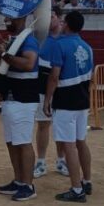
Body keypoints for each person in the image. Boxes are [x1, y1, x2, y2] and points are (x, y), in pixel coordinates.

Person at [44, 10, 95, 203]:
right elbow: (91, 76)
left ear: (66, 24)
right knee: (81, 142)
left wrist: (47, 99)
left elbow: (54, 76)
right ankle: (86, 181)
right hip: (82, 99)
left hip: (65, 100)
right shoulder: (87, 47)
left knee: (69, 145)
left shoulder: (60, 45)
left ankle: (76, 189)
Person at [0, 14, 40, 202]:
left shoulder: (29, 40)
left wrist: (4, 55)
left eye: (10, 18)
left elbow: (29, 63)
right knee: (12, 141)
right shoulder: (16, 40)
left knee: (23, 141)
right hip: (12, 97)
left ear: (21, 19)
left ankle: (28, 185)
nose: (6, 21)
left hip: (24, 98)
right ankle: (19, 180)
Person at [34, 9, 67, 179]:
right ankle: (41, 162)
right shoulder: (39, 37)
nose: (48, 19)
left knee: (61, 125)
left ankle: (61, 160)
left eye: (52, 16)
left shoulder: (66, 38)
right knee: (43, 124)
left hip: (61, 84)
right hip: (42, 83)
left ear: (59, 19)